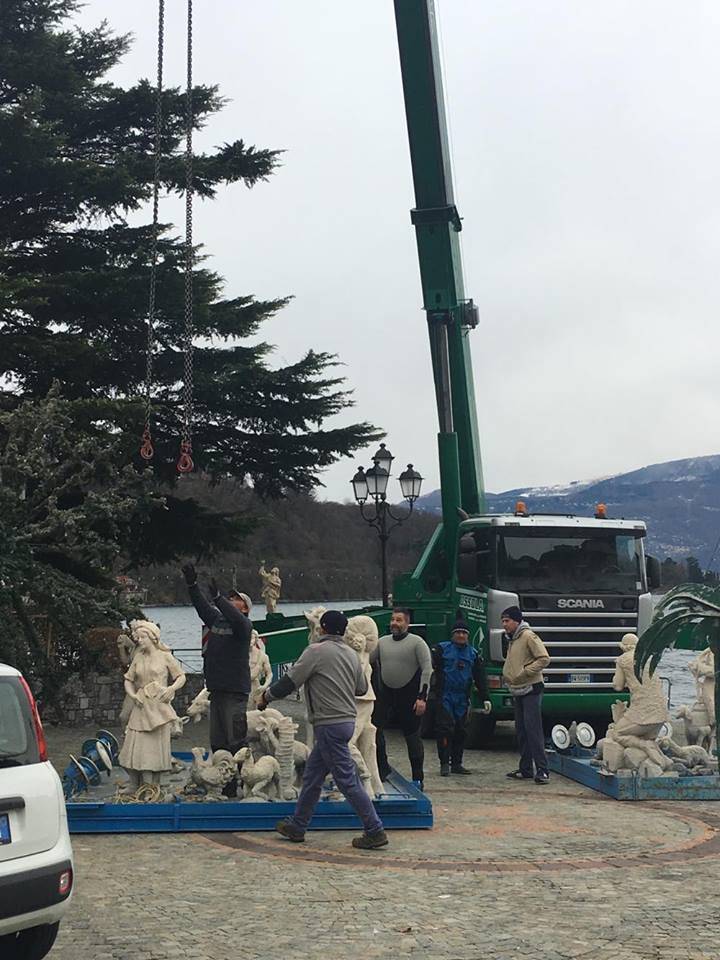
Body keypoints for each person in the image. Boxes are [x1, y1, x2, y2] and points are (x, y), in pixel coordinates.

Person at [258, 610, 388, 850]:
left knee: (347, 781)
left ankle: (374, 829)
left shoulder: (315, 651)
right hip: (346, 722)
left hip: (329, 724)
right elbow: (361, 688)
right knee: (313, 776)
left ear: (323, 628)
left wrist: (266, 697)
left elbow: (290, 681)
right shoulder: (351, 654)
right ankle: (298, 826)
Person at [182, 563, 253, 796]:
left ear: (245, 608)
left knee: (236, 740)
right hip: (217, 690)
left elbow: (233, 615)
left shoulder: (243, 626)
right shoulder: (217, 621)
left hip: (235, 692)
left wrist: (219, 598)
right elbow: (201, 607)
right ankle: (226, 784)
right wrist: (192, 585)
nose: (232, 600)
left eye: (237, 599)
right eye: (230, 598)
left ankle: (243, 783)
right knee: (218, 742)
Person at [118, 620, 186, 792]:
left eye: (143, 637)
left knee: (152, 748)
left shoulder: (165, 656)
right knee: (133, 744)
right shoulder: (138, 657)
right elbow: (128, 679)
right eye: (138, 637)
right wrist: (133, 695)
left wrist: (171, 689)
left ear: (153, 638)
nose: (139, 640)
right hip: (141, 705)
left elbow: (181, 676)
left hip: (158, 706)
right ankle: (134, 783)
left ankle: (151, 785)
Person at [371, 607, 432, 788]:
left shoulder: (417, 642)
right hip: (386, 694)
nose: (394, 623)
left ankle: (418, 778)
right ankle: (382, 768)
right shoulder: (382, 642)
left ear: (407, 623)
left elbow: (427, 670)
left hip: (409, 695)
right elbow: (365, 660)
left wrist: (422, 698)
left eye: (399, 620)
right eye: (392, 620)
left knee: (412, 736)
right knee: (375, 730)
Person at [431, 620, 491, 776]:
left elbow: (480, 677)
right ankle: (444, 763)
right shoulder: (441, 649)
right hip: (445, 695)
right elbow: (429, 667)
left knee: (461, 731)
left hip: (462, 698)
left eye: (464, 633)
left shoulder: (473, 654)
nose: (461, 635)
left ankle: (457, 763)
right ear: (453, 634)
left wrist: (485, 697)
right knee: (445, 729)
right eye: (458, 632)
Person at [501, 605, 551, 784]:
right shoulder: (512, 639)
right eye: (503, 621)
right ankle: (526, 769)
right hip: (518, 689)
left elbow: (544, 658)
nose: (504, 624)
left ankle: (543, 770)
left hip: (531, 688)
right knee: (521, 730)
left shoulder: (528, 636)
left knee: (533, 730)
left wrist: (526, 672)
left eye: (507, 621)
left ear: (516, 621)